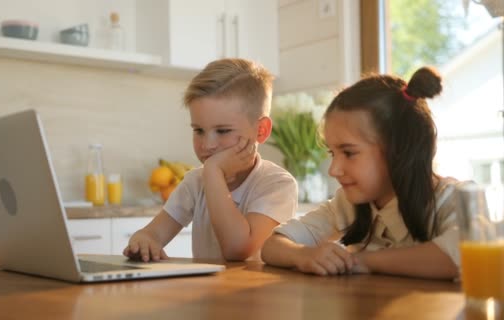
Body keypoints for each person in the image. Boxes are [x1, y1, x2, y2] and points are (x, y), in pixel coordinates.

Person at [262, 67, 463, 280]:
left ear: (400, 149)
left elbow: (456, 257)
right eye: (333, 153)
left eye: (349, 153)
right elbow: (273, 245)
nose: (334, 170)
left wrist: (360, 261)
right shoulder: (347, 205)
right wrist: (304, 255)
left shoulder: (452, 199)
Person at [123, 58, 298, 262]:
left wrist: (213, 172)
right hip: (208, 293)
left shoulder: (276, 184)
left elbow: (237, 249)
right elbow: (153, 233)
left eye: (223, 131)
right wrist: (143, 240)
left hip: (258, 293)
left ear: (261, 130)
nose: (207, 145)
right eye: (198, 130)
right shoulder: (194, 182)